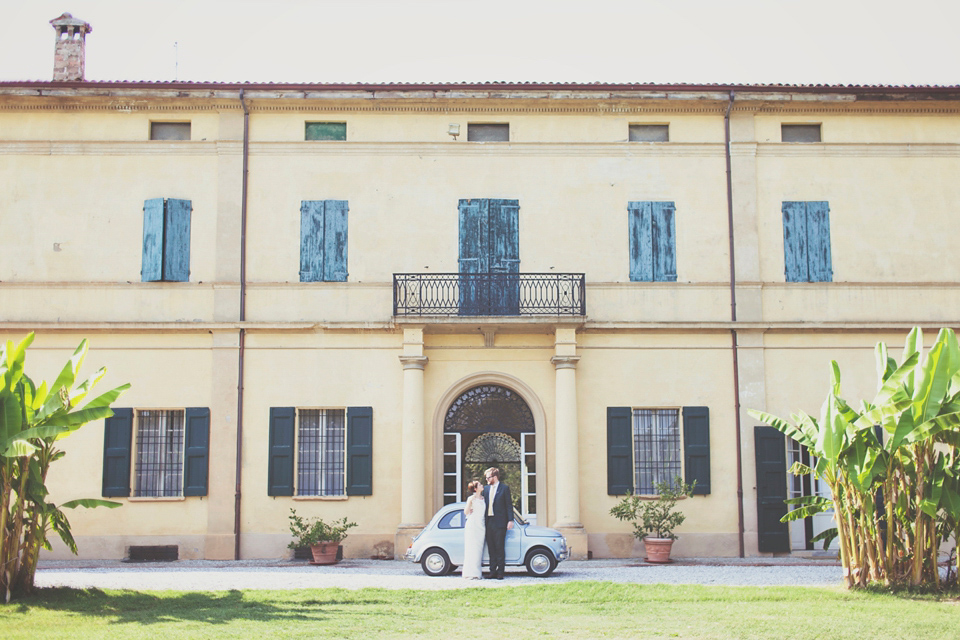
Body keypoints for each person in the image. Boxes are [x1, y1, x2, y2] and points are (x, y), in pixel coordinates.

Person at [482, 466, 513, 580]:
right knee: (491, 548)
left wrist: (510, 520)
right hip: (488, 522)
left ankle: (500, 572)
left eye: (488, 477)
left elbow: (509, 505)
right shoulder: (485, 489)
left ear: (495, 477)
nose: (487, 480)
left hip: (500, 522)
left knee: (499, 548)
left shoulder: (504, 488)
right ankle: (492, 572)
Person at [462, 479, 485, 580]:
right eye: (479, 484)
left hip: (481, 525)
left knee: (479, 549)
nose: (482, 485)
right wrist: (469, 504)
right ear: (475, 488)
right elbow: (466, 512)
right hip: (472, 525)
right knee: (471, 548)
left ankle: (477, 572)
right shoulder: (471, 499)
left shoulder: (484, 498)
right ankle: (470, 572)